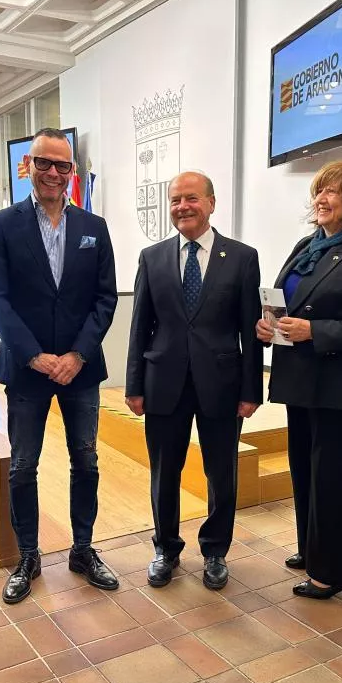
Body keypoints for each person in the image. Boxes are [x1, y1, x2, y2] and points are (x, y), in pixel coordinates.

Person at [0, 128, 119, 604]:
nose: (53, 174)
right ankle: (28, 555)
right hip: (28, 369)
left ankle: (83, 549)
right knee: (23, 466)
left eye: (63, 166)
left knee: (87, 461)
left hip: (81, 369)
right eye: (44, 163)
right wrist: (35, 355)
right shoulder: (2, 224)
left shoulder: (94, 228)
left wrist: (77, 354)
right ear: (29, 167)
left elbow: (104, 299)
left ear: (72, 173)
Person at [256, 161, 342, 601]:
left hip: (339, 380)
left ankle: (334, 572)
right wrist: (269, 326)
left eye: (331, 191)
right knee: (304, 467)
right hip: (300, 375)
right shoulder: (308, 244)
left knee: (330, 474)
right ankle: (312, 548)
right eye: (318, 190)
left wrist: (314, 331)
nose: (320, 198)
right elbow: (285, 301)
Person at [125, 171, 263, 590]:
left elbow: (249, 329)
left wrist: (251, 390)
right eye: (175, 200)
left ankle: (216, 551)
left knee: (222, 473)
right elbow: (140, 324)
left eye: (191, 199)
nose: (182, 207)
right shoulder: (152, 257)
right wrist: (134, 384)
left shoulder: (241, 257)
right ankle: (165, 547)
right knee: (164, 472)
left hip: (221, 383)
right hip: (163, 382)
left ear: (212, 203)